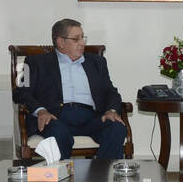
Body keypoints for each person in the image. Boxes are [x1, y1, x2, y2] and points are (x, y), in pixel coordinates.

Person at [13, 18, 127, 160]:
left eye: (83, 38)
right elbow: (21, 92)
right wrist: (41, 111)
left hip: (91, 118)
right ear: (60, 42)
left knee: (117, 128)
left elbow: (110, 91)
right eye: (76, 39)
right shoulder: (34, 62)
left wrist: (111, 110)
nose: (82, 43)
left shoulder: (97, 62)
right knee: (59, 133)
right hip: (55, 117)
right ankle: (64, 179)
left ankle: (100, 177)